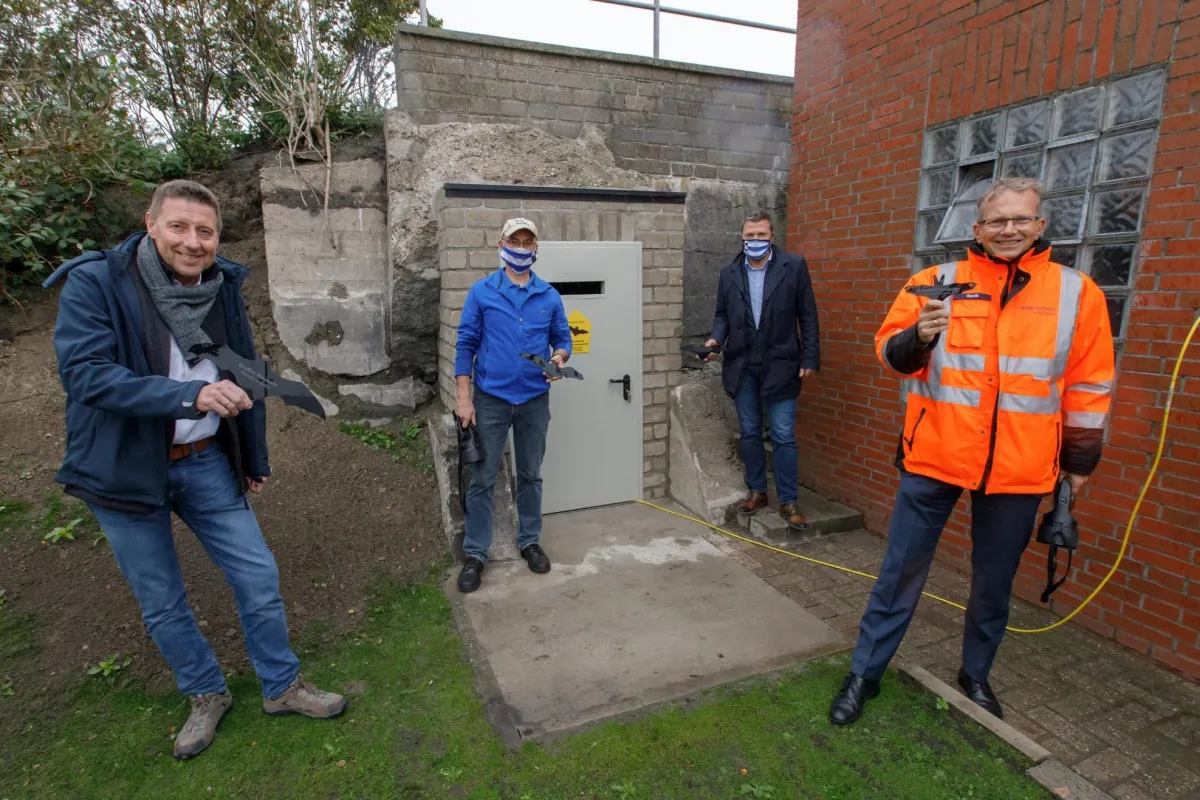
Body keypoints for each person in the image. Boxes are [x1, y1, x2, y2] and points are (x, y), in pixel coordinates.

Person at [43, 180, 346, 760]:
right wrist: (189, 396)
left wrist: (252, 457)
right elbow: (84, 374)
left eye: (205, 231)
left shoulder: (221, 286)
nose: (192, 242)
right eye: (178, 226)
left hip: (205, 459)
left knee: (257, 575)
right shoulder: (97, 282)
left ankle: (281, 686)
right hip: (123, 470)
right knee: (161, 600)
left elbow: (246, 371)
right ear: (150, 224)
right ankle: (206, 692)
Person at [828, 177, 1115, 725]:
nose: (1009, 229)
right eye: (997, 221)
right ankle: (865, 672)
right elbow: (889, 355)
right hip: (934, 455)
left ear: (1039, 225)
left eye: (1020, 219)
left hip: (1021, 466)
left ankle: (975, 675)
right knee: (900, 571)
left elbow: (1089, 384)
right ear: (977, 229)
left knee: (993, 583)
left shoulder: (1078, 293)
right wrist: (920, 336)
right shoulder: (933, 282)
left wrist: (1078, 464)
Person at [453, 217, 572, 593]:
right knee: (483, 479)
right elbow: (465, 344)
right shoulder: (482, 292)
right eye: (514, 241)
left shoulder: (548, 295)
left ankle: (529, 541)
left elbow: (562, 337)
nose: (521, 248)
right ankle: (476, 553)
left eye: (527, 242)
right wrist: (463, 398)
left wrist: (559, 357)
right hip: (491, 399)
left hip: (534, 399)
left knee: (531, 474)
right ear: (501, 245)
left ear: (536, 248)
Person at [702, 211, 820, 529]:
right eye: (750, 235)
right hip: (743, 364)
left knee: (783, 434)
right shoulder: (729, 272)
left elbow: (808, 316)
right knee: (750, 431)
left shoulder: (793, 266)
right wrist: (715, 339)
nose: (755, 240)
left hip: (781, 362)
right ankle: (757, 491)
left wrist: (809, 358)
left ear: (772, 236)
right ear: (742, 238)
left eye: (761, 235)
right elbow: (722, 314)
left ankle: (788, 500)